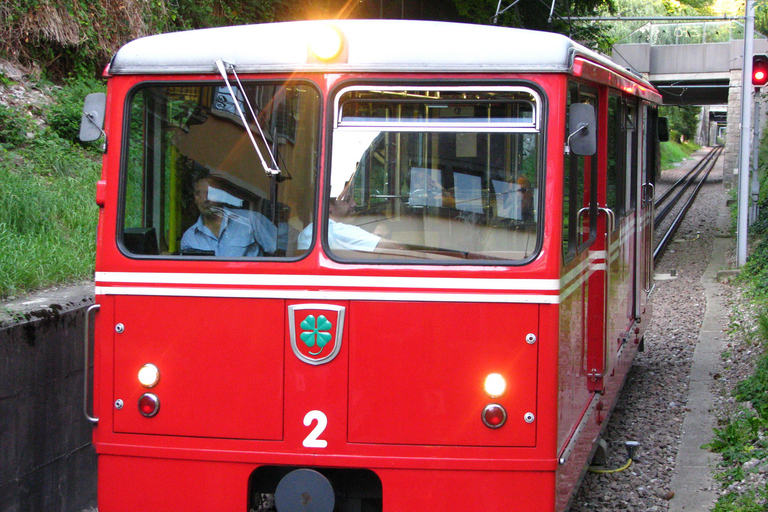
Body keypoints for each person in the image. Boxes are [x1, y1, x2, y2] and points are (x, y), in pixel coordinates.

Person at [180, 172, 278, 257]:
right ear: (195, 198)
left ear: (221, 196)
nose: (205, 199)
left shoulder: (250, 220)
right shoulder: (189, 238)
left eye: (210, 192)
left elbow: (281, 253)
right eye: (198, 193)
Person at [297, 194, 399, 252]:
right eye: (346, 200)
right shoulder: (337, 231)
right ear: (329, 207)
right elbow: (396, 247)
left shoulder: (309, 230)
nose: (354, 204)